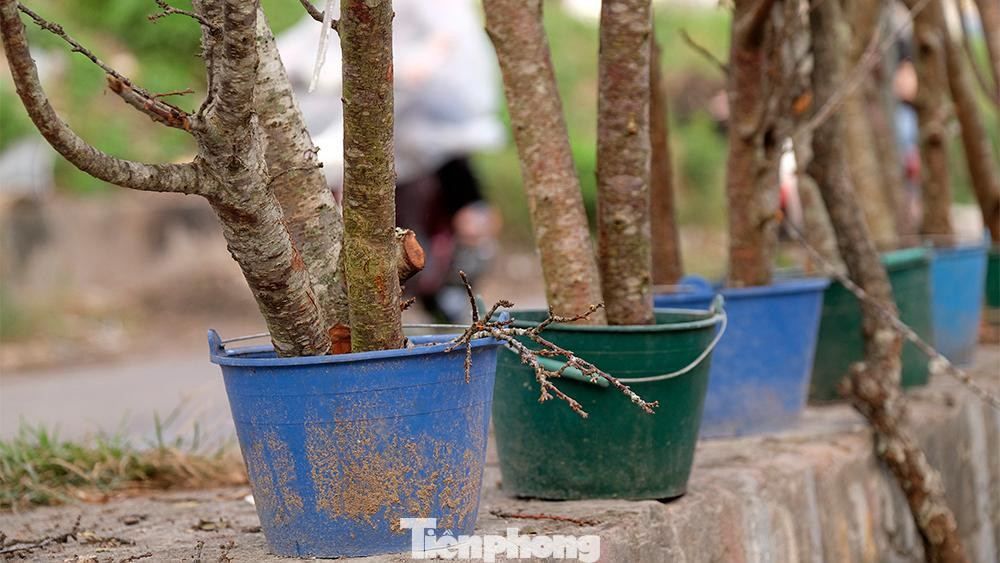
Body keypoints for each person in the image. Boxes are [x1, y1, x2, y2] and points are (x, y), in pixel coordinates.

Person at [277, 0, 505, 322]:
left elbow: (450, 35)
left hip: (431, 118)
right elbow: (305, 43)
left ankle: (459, 277)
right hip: (378, 128)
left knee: (459, 192)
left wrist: (424, 64)